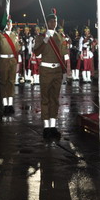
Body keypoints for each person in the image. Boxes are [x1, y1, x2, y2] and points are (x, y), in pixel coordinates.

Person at [34, 8, 68, 139]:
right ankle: (46, 127)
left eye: (55, 21)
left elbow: (64, 55)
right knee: (45, 98)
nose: (54, 23)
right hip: (46, 70)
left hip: (57, 70)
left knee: (55, 99)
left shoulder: (60, 37)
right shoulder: (40, 37)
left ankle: (53, 126)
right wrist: (45, 40)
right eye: (51, 21)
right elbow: (36, 52)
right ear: (47, 23)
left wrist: (65, 72)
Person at [0, 16, 20, 114]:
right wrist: (1, 24)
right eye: (7, 23)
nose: (9, 25)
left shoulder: (15, 35)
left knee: (11, 82)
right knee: (4, 82)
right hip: (3, 60)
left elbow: (17, 48)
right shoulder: (0, 35)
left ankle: (10, 104)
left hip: (12, 60)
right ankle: (5, 104)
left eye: (10, 23)